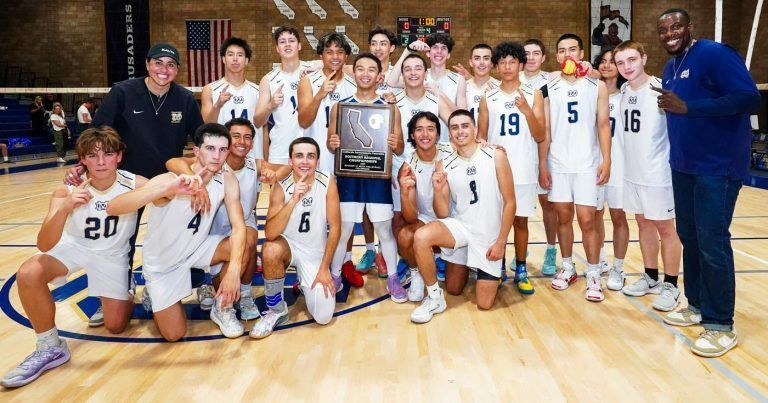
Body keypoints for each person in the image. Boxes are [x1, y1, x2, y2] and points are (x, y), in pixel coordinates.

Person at [67, 42, 204, 325]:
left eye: (170, 65)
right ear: (147, 64)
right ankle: (115, 290)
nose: (163, 70)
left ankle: (185, 287)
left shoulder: (186, 99)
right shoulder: (123, 92)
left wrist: (206, 164)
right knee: (121, 239)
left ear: (177, 70)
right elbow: (97, 132)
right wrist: (82, 165)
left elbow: (200, 138)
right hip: (129, 181)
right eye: (158, 63)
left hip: (169, 184)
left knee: (180, 235)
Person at [1, 127, 143, 388]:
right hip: (74, 247)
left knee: (115, 325)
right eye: (93, 156)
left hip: (112, 256)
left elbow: (167, 188)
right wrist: (65, 208)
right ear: (83, 159)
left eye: (108, 154)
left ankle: (127, 286)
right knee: (29, 271)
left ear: (119, 157)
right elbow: (44, 243)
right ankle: (49, 345)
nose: (101, 162)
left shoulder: (135, 183)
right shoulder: (66, 190)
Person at [655, 8, 761, 357]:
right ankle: (697, 305)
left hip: (716, 167)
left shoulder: (715, 54)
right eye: (664, 29)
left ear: (689, 27)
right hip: (684, 166)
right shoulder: (671, 68)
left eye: (676, 26)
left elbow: (749, 98)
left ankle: (720, 324)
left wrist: (690, 107)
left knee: (712, 241)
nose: (670, 33)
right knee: (690, 235)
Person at [107, 123, 247, 341]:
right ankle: (154, 293)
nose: (217, 156)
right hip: (164, 264)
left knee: (242, 246)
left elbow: (239, 226)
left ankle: (222, 308)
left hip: (197, 249)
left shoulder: (227, 179)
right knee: (174, 335)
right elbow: (114, 207)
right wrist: (166, 190)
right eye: (210, 149)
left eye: (222, 150)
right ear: (197, 151)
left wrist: (234, 270)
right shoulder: (172, 180)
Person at [165, 118, 284, 319]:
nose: (242, 141)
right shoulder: (213, 161)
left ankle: (245, 295)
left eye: (247, 137)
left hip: (242, 220)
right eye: (236, 136)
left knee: (247, 239)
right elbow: (172, 162)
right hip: (210, 225)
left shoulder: (254, 164)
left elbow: (285, 168)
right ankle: (206, 285)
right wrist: (196, 182)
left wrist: (273, 174)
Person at [410, 110, 515, 323]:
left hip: (488, 236)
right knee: (423, 240)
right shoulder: (445, 164)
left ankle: (481, 267)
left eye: (465, 126)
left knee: (484, 304)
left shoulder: (495, 155)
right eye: (455, 127)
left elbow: (510, 202)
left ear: (475, 129)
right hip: (462, 228)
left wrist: (501, 242)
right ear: (449, 133)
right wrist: (438, 189)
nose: (460, 131)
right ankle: (434, 297)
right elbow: (442, 213)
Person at [327, 53, 405, 301]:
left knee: (384, 229)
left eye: (371, 70)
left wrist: (395, 143)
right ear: (354, 73)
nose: (365, 74)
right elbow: (331, 145)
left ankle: (393, 277)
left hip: (377, 178)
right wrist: (333, 142)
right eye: (360, 69)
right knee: (344, 229)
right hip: (349, 177)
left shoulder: (390, 109)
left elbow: (401, 147)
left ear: (379, 76)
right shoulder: (339, 107)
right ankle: (336, 274)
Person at [540, 33, 611, 301]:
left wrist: (607, 159)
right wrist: (542, 164)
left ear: (581, 54)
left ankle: (593, 272)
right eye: (562, 50)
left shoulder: (596, 86)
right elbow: (545, 129)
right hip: (558, 164)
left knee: (587, 220)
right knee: (563, 218)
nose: (567, 54)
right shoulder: (550, 86)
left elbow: (603, 125)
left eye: (572, 49)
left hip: (587, 164)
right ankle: (567, 266)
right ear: (557, 56)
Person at [612, 41, 682, 311]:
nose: (627, 67)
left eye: (632, 60)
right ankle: (650, 276)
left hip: (657, 174)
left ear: (643, 58)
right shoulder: (625, 89)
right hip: (633, 173)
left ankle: (671, 285)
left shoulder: (661, 90)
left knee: (666, 228)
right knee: (643, 225)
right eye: (621, 63)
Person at [251, 137, 341, 338]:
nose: (305, 161)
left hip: (314, 253)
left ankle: (304, 281)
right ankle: (276, 310)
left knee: (324, 316)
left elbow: (335, 227)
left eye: (311, 156)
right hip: (288, 246)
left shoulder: (327, 181)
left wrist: (325, 268)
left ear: (318, 161)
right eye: (299, 156)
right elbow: (271, 233)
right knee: (270, 249)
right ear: (290, 161)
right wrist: (293, 200)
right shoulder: (280, 187)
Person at [477, 41, 545, 295]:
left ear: (520, 64)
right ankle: (499, 266)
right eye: (502, 62)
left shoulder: (534, 93)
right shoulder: (488, 96)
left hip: (524, 168)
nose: (507, 67)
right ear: (496, 66)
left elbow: (540, 135)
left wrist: (527, 111)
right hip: (497, 171)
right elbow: (481, 137)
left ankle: (522, 268)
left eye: (512, 62)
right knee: (496, 222)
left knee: (520, 222)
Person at [396, 111, 454, 301]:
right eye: (419, 130)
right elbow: (411, 217)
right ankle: (417, 273)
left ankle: (440, 259)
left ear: (438, 133)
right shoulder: (409, 165)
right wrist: (405, 193)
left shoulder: (452, 151)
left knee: (455, 288)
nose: (425, 134)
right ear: (412, 135)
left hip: (456, 220)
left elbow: (476, 148)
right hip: (428, 221)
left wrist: (491, 146)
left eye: (430, 129)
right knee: (405, 236)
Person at [593, 49, 629, 292]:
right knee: (594, 216)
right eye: (602, 62)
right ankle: (601, 257)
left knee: (618, 216)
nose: (607, 66)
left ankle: (619, 266)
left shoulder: (627, 94)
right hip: (593, 163)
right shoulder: (590, 92)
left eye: (612, 62)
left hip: (618, 163)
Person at [522, 38, 558, 275]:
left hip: (546, 150)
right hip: (521, 153)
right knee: (519, 208)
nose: (532, 57)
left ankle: (551, 249)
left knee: (548, 205)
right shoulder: (513, 79)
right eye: (527, 54)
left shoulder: (553, 80)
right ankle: (520, 250)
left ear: (544, 57)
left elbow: (591, 73)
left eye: (537, 53)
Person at [253, 26, 314, 166]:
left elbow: (340, 66)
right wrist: (270, 105)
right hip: (280, 150)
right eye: (282, 41)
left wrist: (318, 67)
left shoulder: (313, 71)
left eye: (291, 40)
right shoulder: (268, 79)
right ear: (277, 48)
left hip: (311, 147)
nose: (287, 44)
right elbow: (257, 121)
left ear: (299, 45)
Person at [387, 33, 467, 139]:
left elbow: (464, 117)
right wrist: (408, 50)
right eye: (435, 47)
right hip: (423, 141)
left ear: (448, 55)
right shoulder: (418, 76)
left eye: (443, 48)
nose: (439, 51)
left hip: (449, 143)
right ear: (428, 53)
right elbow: (391, 81)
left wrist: (440, 94)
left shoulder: (458, 79)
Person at [298, 32, 356, 173]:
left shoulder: (354, 85)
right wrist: (319, 95)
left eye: (340, 52)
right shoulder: (308, 81)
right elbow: (303, 122)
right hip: (316, 156)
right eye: (329, 52)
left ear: (346, 56)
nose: (335, 57)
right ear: (321, 55)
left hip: (345, 158)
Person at [200, 37, 264, 160]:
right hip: (221, 157)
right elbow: (207, 125)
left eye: (240, 55)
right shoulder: (210, 89)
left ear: (246, 60)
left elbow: (264, 129)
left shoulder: (258, 91)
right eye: (230, 55)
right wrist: (217, 106)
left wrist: (264, 158)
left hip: (253, 156)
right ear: (224, 59)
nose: (235, 59)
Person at [465, 43, 499, 121]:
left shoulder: (500, 87)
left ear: (492, 63)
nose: (481, 62)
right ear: (471, 62)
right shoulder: (462, 88)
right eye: (477, 58)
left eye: (486, 58)